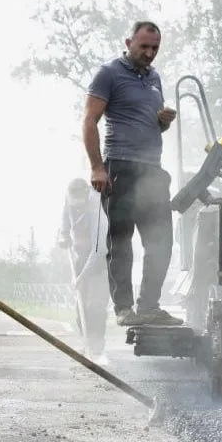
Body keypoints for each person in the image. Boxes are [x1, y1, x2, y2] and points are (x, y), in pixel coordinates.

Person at [82, 20, 184, 327]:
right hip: (120, 166)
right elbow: (89, 120)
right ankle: (124, 308)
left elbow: (154, 125)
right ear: (128, 42)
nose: (150, 53)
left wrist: (163, 121)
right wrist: (97, 166)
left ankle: (150, 306)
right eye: (144, 47)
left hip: (152, 170)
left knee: (161, 241)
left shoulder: (155, 78)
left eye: (155, 48)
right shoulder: (109, 73)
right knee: (121, 240)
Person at [58, 178, 112, 366]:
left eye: (80, 204)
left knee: (95, 307)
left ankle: (97, 350)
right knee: (80, 308)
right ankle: (86, 344)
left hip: (101, 259)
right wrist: (63, 234)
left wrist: (81, 277)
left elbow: (98, 251)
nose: (76, 207)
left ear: (86, 196)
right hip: (81, 256)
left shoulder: (97, 207)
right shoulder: (69, 198)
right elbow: (65, 218)